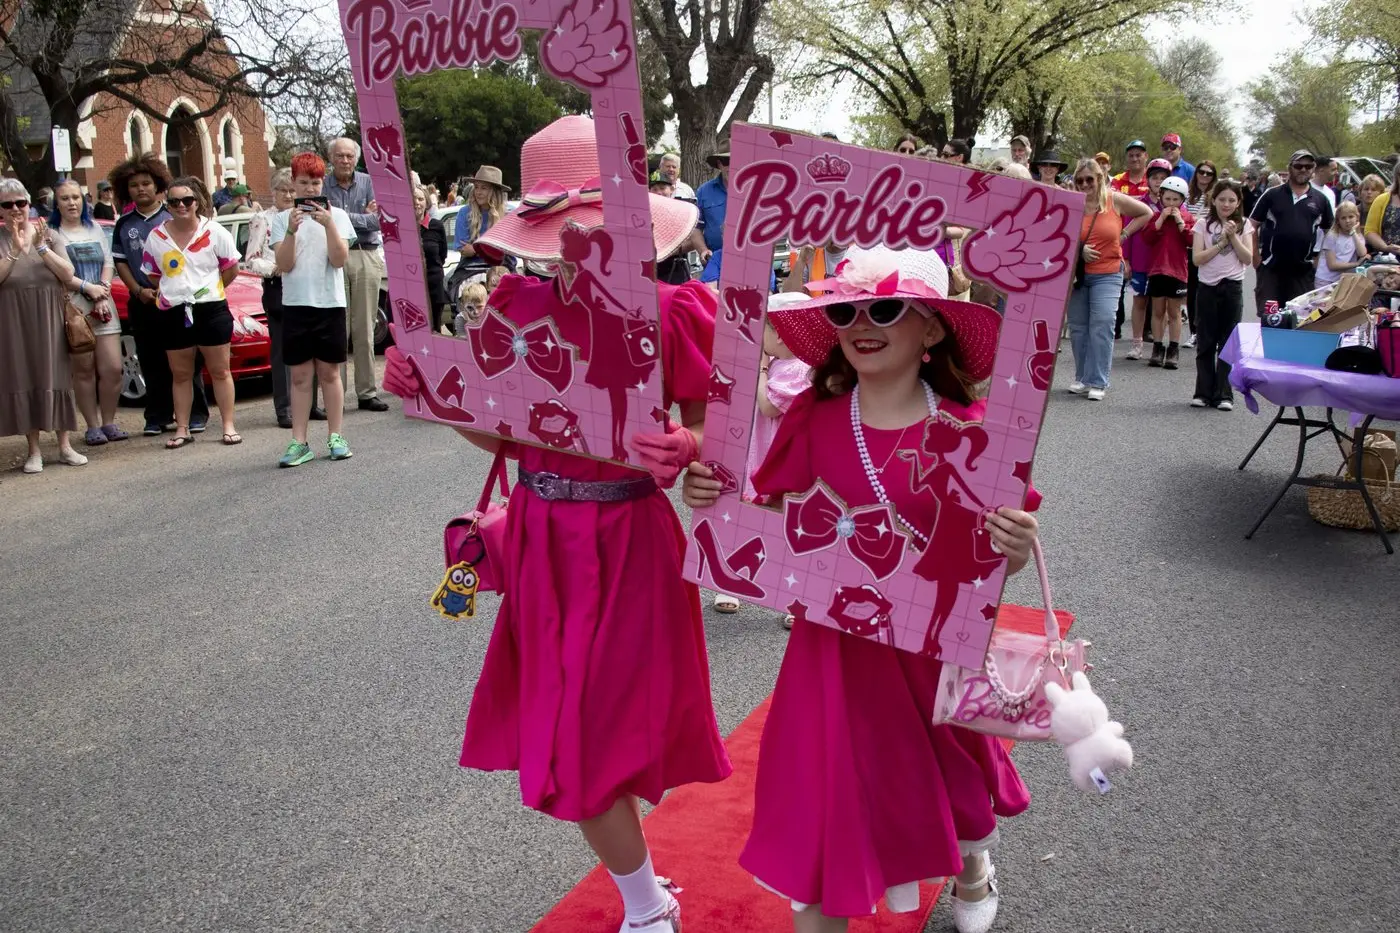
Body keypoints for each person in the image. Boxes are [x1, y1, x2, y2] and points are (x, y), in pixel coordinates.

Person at [382, 114, 730, 933]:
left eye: (595, 232)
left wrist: (685, 443)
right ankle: (647, 904)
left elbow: (719, 430)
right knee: (573, 736)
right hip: (542, 540)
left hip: (632, 539)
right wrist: (435, 394)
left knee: (605, 733)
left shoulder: (675, 309)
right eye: (560, 234)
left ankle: (646, 903)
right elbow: (501, 434)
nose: (575, 249)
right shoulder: (512, 303)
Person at [682, 244, 1042, 933]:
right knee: (820, 815)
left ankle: (974, 868)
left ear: (932, 329)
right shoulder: (813, 420)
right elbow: (761, 521)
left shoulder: (969, 430)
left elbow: (994, 563)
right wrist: (708, 496)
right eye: (846, 311)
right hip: (830, 656)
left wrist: (1014, 548)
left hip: (929, 653)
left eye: (883, 308)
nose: (861, 325)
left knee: (951, 788)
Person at [109, 153, 212, 436]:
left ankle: (194, 414)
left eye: (146, 183)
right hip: (143, 300)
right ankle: (157, 416)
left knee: (185, 361)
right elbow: (121, 261)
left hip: (177, 301)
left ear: (158, 186)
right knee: (151, 359)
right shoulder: (124, 223)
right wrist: (138, 290)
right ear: (125, 190)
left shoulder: (171, 216)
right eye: (134, 185)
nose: (140, 189)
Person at [139, 177, 242, 449]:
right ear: (167, 204)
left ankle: (228, 425)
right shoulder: (157, 236)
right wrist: (177, 291)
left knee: (220, 371)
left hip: (211, 308)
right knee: (181, 373)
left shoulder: (215, 232)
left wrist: (208, 290)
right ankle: (182, 428)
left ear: (196, 202)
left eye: (187, 200)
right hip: (174, 311)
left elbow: (231, 269)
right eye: (174, 201)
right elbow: (152, 275)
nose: (181, 205)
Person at [270, 152, 357, 467]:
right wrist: (292, 231)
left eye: (315, 182)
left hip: (329, 304)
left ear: (324, 183)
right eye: (303, 182)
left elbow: (339, 259)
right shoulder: (280, 220)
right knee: (300, 376)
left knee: (330, 372)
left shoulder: (339, 216)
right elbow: (283, 264)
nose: (309, 189)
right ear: (293, 183)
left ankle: (336, 436)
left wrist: (330, 224)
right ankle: (299, 441)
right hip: (296, 305)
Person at [0, 179, 88, 474]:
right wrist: (13, 249)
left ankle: (64, 446)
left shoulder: (48, 235)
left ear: (29, 204)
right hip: (13, 319)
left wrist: (40, 248)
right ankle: (34, 450)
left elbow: (67, 272)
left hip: (50, 317)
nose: (15, 209)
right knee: (23, 377)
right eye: (7, 204)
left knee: (57, 375)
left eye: (20, 203)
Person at [244, 168, 325, 428]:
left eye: (292, 190)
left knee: (311, 348)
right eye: (283, 190)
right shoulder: (263, 220)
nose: (289, 195)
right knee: (283, 351)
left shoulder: (306, 215)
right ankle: (285, 407)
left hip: (308, 286)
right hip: (278, 289)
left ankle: (310, 404)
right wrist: (275, 268)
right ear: (273, 192)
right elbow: (252, 259)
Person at [1066, 158, 1152, 401]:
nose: (1084, 184)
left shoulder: (1114, 199)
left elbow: (1146, 213)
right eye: (1079, 180)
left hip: (1108, 272)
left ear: (1100, 179)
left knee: (1102, 324)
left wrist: (1124, 233)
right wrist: (1079, 248)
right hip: (1077, 275)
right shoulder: (1071, 204)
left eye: (1089, 179)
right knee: (1079, 328)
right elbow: (1059, 235)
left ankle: (1098, 380)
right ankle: (1082, 377)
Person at [50, 179, 125, 446]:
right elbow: (61, 273)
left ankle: (109, 421)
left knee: (113, 368)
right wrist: (88, 289)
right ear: (56, 204)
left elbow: (108, 262)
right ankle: (92, 426)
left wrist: (102, 291)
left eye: (75, 197)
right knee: (83, 370)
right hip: (74, 308)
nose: (71, 203)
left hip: (103, 305)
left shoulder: (94, 228)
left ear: (83, 200)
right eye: (65, 198)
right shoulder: (52, 234)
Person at [325, 137, 389, 412]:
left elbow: (378, 220)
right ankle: (335, 394)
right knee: (338, 327)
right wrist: (359, 216)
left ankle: (367, 392)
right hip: (332, 257)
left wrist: (337, 217)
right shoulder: (322, 184)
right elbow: (318, 219)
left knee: (365, 327)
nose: (345, 160)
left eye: (349, 156)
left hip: (365, 253)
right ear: (331, 158)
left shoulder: (369, 182)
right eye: (339, 156)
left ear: (356, 158)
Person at [1191, 179, 1253, 411]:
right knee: (1206, 340)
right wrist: (1220, 244)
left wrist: (1233, 236)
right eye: (1222, 199)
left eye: (1231, 200)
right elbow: (1197, 259)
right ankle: (1203, 391)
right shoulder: (1202, 225)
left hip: (1232, 286)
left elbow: (1247, 258)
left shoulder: (1245, 225)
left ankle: (1223, 393)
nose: (1226, 204)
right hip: (1207, 286)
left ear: (1238, 203)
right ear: (1214, 200)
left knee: (1228, 342)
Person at [1251, 150, 1334, 316]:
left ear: (1314, 168)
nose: (1303, 170)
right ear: (1290, 168)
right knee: (1270, 320)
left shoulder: (1320, 199)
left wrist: (1318, 259)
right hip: (1271, 270)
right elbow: (1252, 226)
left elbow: (1330, 232)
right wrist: (1256, 258)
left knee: (1299, 322)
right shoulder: (1272, 195)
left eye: (1308, 166)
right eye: (1298, 166)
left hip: (1302, 272)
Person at [1141, 175, 1196, 369]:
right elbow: (1147, 237)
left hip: (1177, 272)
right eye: (1167, 199)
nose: (1171, 204)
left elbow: (1191, 241)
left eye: (1176, 200)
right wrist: (1161, 218)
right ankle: (1157, 347)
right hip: (1157, 270)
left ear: (1182, 200)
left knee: (1174, 312)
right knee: (1157, 311)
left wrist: (1181, 223)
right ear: (1161, 197)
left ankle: (1173, 348)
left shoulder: (1188, 218)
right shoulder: (1156, 217)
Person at [1122, 158, 1173, 358]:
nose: (1158, 182)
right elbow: (1127, 231)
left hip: (1163, 262)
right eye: (1154, 177)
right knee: (1139, 301)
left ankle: (1159, 344)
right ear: (1148, 179)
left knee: (1163, 305)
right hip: (1141, 259)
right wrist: (1126, 259)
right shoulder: (1138, 204)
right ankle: (1136, 343)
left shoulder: (1172, 204)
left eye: (1162, 178)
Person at [448, 165, 512, 299]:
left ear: (494, 191)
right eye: (476, 187)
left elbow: (508, 250)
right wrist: (491, 247)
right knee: (469, 294)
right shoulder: (464, 213)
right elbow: (464, 250)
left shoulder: (507, 215)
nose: (478, 192)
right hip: (470, 269)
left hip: (502, 267)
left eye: (484, 188)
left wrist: (476, 248)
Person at [1181, 160, 1218, 348]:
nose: (1204, 176)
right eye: (1201, 172)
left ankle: (1211, 332)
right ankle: (1194, 332)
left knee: (1209, 291)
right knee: (1192, 291)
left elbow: (1216, 218)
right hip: (1189, 246)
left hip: (1209, 248)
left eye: (1209, 173)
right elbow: (1184, 216)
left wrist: (1196, 220)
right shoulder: (1188, 195)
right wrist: (1194, 220)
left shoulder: (1216, 195)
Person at [687, 142, 731, 277]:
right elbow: (696, 227)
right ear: (719, 164)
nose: (732, 165)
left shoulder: (757, 190)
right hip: (714, 264)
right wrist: (703, 250)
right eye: (726, 160)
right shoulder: (704, 191)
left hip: (749, 262)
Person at [414, 184, 451, 331]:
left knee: (434, 330)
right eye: (413, 199)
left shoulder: (437, 226)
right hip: (411, 287)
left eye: (421, 199)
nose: (417, 202)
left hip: (433, 287)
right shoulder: (402, 226)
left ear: (427, 202)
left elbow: (442, 255)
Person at [1315, 201, 1368, 289]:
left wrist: (1353, 232)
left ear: (1357, 217)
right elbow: (1332, 265)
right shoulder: (1332, 236)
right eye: (1343, 218)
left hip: (1341, 280)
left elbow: (1362, 253)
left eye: (1351, 217)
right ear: (1338, 221)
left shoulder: (1357, 236)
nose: (1347, 221)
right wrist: (1356, 264)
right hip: (1326, 280)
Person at [1363, 170, 1400, 260]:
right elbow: (1370, 231)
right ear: (1397, 176)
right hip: (1388, 259)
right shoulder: (1382, 200)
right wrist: (1386, 248)